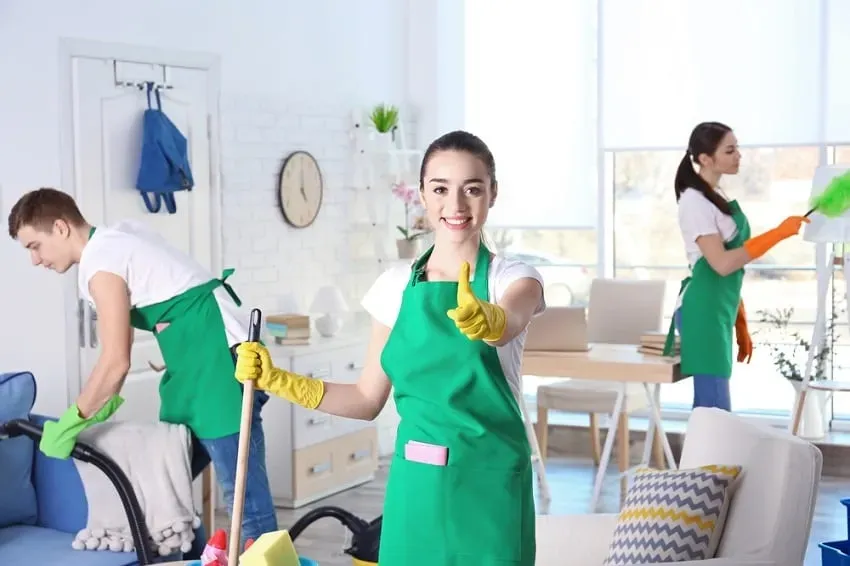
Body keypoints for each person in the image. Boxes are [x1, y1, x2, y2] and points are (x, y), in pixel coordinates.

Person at [235, 130, 546, 565]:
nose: (455, 205)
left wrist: (491, 320)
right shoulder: (395, 285)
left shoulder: (511, 278)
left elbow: (511, 319)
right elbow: (366, 399)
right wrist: (281, 382)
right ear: (422, 194)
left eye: (472, 189)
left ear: (492, 194)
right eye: (440, 189)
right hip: (416, 483)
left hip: (489, 482)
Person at [6, 188, 277, 552]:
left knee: (245, 497)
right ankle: (189, 555)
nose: (35, 260)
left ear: (60, 227)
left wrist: (72, 420)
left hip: (215, 365)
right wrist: (177, 340)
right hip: (196, 359)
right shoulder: (119, 236)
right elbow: (175, 287)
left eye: (34, 246)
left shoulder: (100, 263)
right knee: (167, 477)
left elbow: (116, 360)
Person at [663, 122, 809, 411]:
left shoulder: (716, 197)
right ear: (705, 159)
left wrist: (738, 320)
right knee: (714, 410)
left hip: (717, 308)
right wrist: (778, 233)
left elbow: (730, 271)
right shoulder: (694, 202)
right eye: (729, 150)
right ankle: (708, 458)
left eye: (737, 148)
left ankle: (707, 457)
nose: (738, 155)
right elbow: (722, 264)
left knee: (712, 408)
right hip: (703, 312)